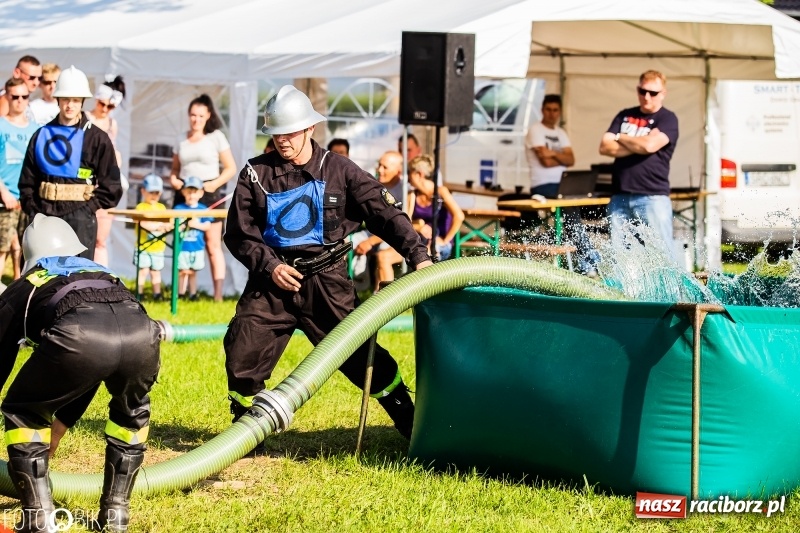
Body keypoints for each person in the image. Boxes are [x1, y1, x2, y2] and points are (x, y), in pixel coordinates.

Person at [223, 85, 432, 439]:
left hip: (327, 284)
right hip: (271, 284)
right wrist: (270, 266)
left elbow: (385, 214)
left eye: (290, 133)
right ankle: (246, 431)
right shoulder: (254, 173)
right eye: (276, 134)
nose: (283, 141)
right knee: (242, 354)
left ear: (310, 129)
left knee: (364, 360)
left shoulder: (340, 170)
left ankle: (412, 426)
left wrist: (419, 257)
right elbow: (240, 233)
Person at [0, 214, 160, 533]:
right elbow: (91, 369)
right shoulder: (105, 272)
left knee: (22, 412)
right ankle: (115, 517)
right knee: (131, 415)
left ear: (32, 257)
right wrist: (57, 431)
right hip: (143, 335)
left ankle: (39, 518)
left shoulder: (28, 284)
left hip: (80, 335)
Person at [18, 65, 123, 262]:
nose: (70, 105)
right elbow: (26, 182)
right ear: (58, 99)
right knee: (40, 278)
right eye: (66, 99)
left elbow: (112, 187)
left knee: (77, 280)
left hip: (80, 218)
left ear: (82, 101)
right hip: (43, 215)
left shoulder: (97, 138)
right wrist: (34, 212)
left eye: (75, 100)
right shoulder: (41, 135)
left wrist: (88, 208)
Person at [599, 70, 679, 259]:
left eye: (653, 93)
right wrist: (639, 141)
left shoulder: (667, 119)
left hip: (652, 196)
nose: (647, 97)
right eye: (643, 91)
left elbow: (651, 146)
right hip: (620, 196)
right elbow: (604, 146)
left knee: (661, 255)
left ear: (663, 94)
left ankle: (667, 289)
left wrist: (620, 138)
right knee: (621, 256)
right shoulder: (625, 115)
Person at [169, 94, 236, 301]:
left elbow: (230, 168)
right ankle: (181, 292)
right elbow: (174, 170)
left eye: (200, 115)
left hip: (208, 195)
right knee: (182, 242)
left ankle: (217, 295)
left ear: (208, 116)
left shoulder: (216, 137)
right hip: (184, 195)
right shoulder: (180, 138)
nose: (195, 119)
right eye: (192, 115)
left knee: (212, 244)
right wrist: (175, 182)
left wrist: (213, 185)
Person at [525, 94, 600, 275]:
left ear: (559, 112)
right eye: (548, 110)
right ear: (542, 110)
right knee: (572, 217)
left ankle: (586, 260)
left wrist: (551, 153)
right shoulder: (535, 130)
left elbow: (571, 159)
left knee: (583, 209)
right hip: (543, 186)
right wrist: (560, 157)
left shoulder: (561, 133)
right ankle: (588, 262)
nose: (551, 114)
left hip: (563, 186)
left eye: (555, 110)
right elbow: (545, 162)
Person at [0, 78, 39, 280]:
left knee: (24, 250)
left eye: (25, 96)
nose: (20, 101)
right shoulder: (1, 125)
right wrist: (3, 191)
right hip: (4, 198)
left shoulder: (35, 129)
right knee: (2, 248)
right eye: (15, 96)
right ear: (7, 96)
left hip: (28, 198)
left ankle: (18, 293)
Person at [352, 150, 406, 290]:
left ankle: (384, 301)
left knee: (383, 252)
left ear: (398, 171)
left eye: (385, 167)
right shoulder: (373, 184)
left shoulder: (405, 191)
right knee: (344, 243)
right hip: (373, 232)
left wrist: (370, 242)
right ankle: (347, 289)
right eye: (379, 165)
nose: (379, 170)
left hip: (392, 235)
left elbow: (401, 226)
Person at [88, 77, 126, 267]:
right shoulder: (86, 118)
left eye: (109, 107)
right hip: (86, 184)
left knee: (101, 239)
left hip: (105, 184)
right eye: (101, 104)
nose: (104, 109)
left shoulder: (112, 125)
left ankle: (100, 278)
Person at [406, 154, 464, 260]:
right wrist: (419, 227)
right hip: (419, 242)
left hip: (439, 244)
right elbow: (406, 223)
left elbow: (459, 216)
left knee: (423, 255)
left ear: (419, 174)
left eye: (409, 173)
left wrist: (445, 240)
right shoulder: (412, 195)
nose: (408, 178)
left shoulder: (441, 192)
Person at [174, 176, 212, 301]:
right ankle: (180, 293)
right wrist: (183, 225)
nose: (191, 195)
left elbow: (207, 225)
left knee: (193, 272)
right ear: (183, 192)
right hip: (182, 247)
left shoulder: (203, 209)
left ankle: (193, 294)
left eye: (194, 192)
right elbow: (174, 225)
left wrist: (196, 224)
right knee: (182, 271)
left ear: (200, 193)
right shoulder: (178, 209)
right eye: (189, 192)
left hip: (197, 247)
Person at [135, 174, 169, 301]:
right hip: (143, 246)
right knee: (143, 271)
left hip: (158, 248)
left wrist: (164, 226)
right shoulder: (141, 207)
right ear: (143, 191)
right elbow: (143, 224)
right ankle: (139, 294)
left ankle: (157, 294)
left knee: (156, 272)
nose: (154, 195)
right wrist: (158, 226)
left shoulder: (162, 208)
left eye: (157, 192)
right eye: (151, 192)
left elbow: (167, 223)